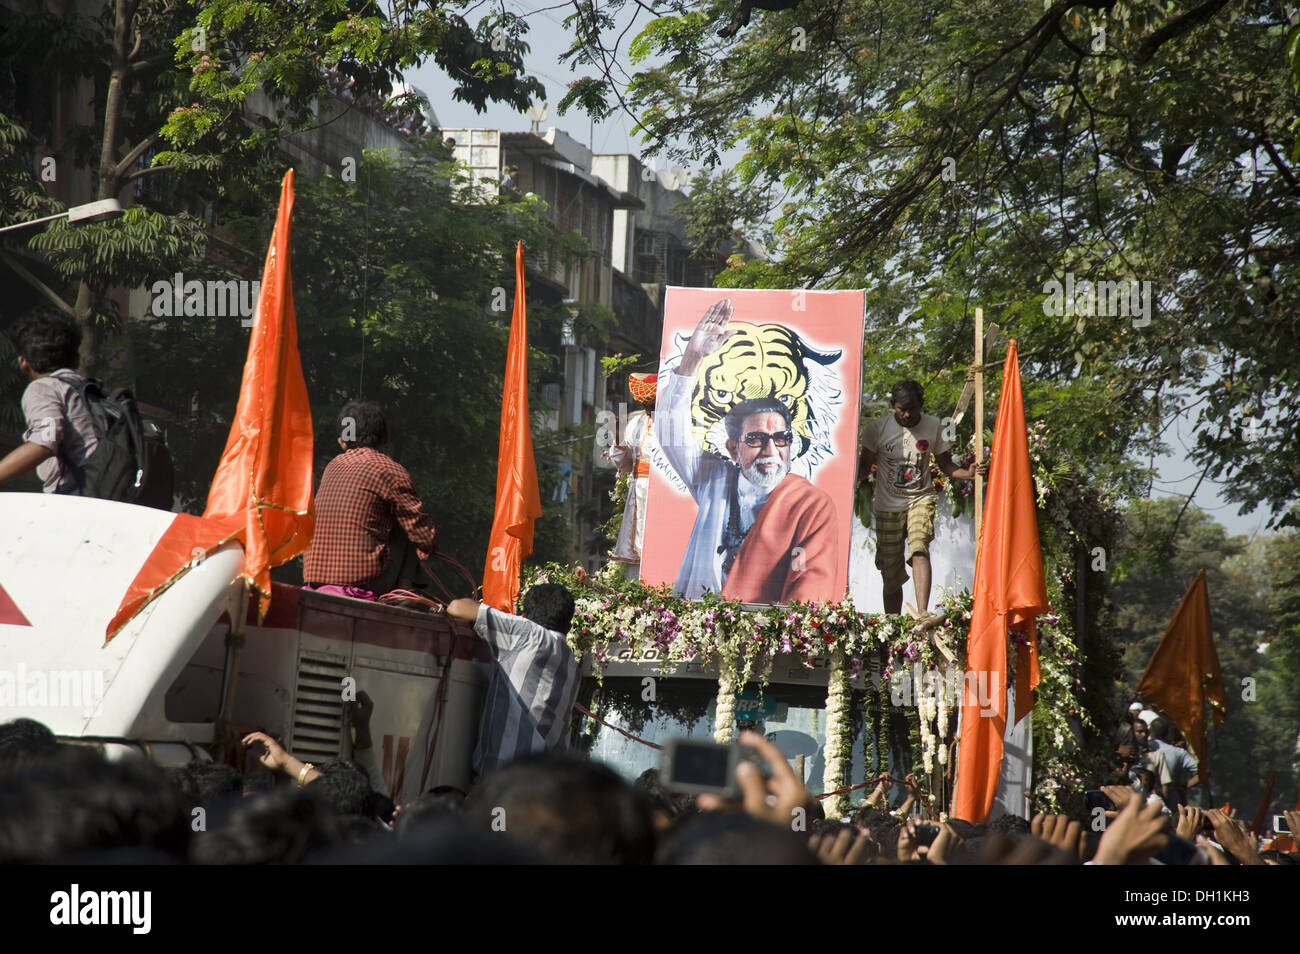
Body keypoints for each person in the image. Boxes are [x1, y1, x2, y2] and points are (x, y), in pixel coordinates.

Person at [658, 300, 839, 603]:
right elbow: (669, 431)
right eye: (756, 439)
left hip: (762, 640)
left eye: (781, 438)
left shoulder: (809, 504)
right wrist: (692, 359)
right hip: (697, 627)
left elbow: (810, 588)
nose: (771, 450)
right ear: (732, 448)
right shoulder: (711, 480)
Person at [859, 379, 986, 615]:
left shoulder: (934, 426)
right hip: (887, 505)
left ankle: (922, 613)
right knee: (890, 574)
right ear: (893, 405)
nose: (907, 414)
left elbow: (945, 464)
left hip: (921, 498)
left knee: (919, 548)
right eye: (901, 409)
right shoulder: (876, 429)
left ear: (921, 405)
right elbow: (864, 467)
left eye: (912, 409)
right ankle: (893, 621)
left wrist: (967, 474)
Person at [302, 399, 438, 599]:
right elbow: (424, 536)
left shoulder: (332, 466)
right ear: (382, 436)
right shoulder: (389, 470)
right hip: (362, 582)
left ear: (343, 439)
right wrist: (429, 548)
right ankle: (403, 594)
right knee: (406, 526)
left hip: (313, 578)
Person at [445, 583, 581, 777]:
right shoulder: (572, 664)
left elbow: (457, 608)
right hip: (550, 783)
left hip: (507, 779)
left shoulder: (526, 633)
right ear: (568, 625)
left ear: (525, 616)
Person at [0, 306, 98, 492]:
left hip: (75, 502)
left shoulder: (43, 388)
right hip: (110, 498)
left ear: (23, 362)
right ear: (76, 360)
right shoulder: (92, 392)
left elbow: (44, 442)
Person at [607, 372, 657, 578]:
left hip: (662, 491)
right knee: (636, 545)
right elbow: (624, 463)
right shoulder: (636, 423)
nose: (647, 407)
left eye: (651, 402)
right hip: (638, 489)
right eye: (645, 403)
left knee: (657, 540)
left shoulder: (674, 424)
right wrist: (617, 435)